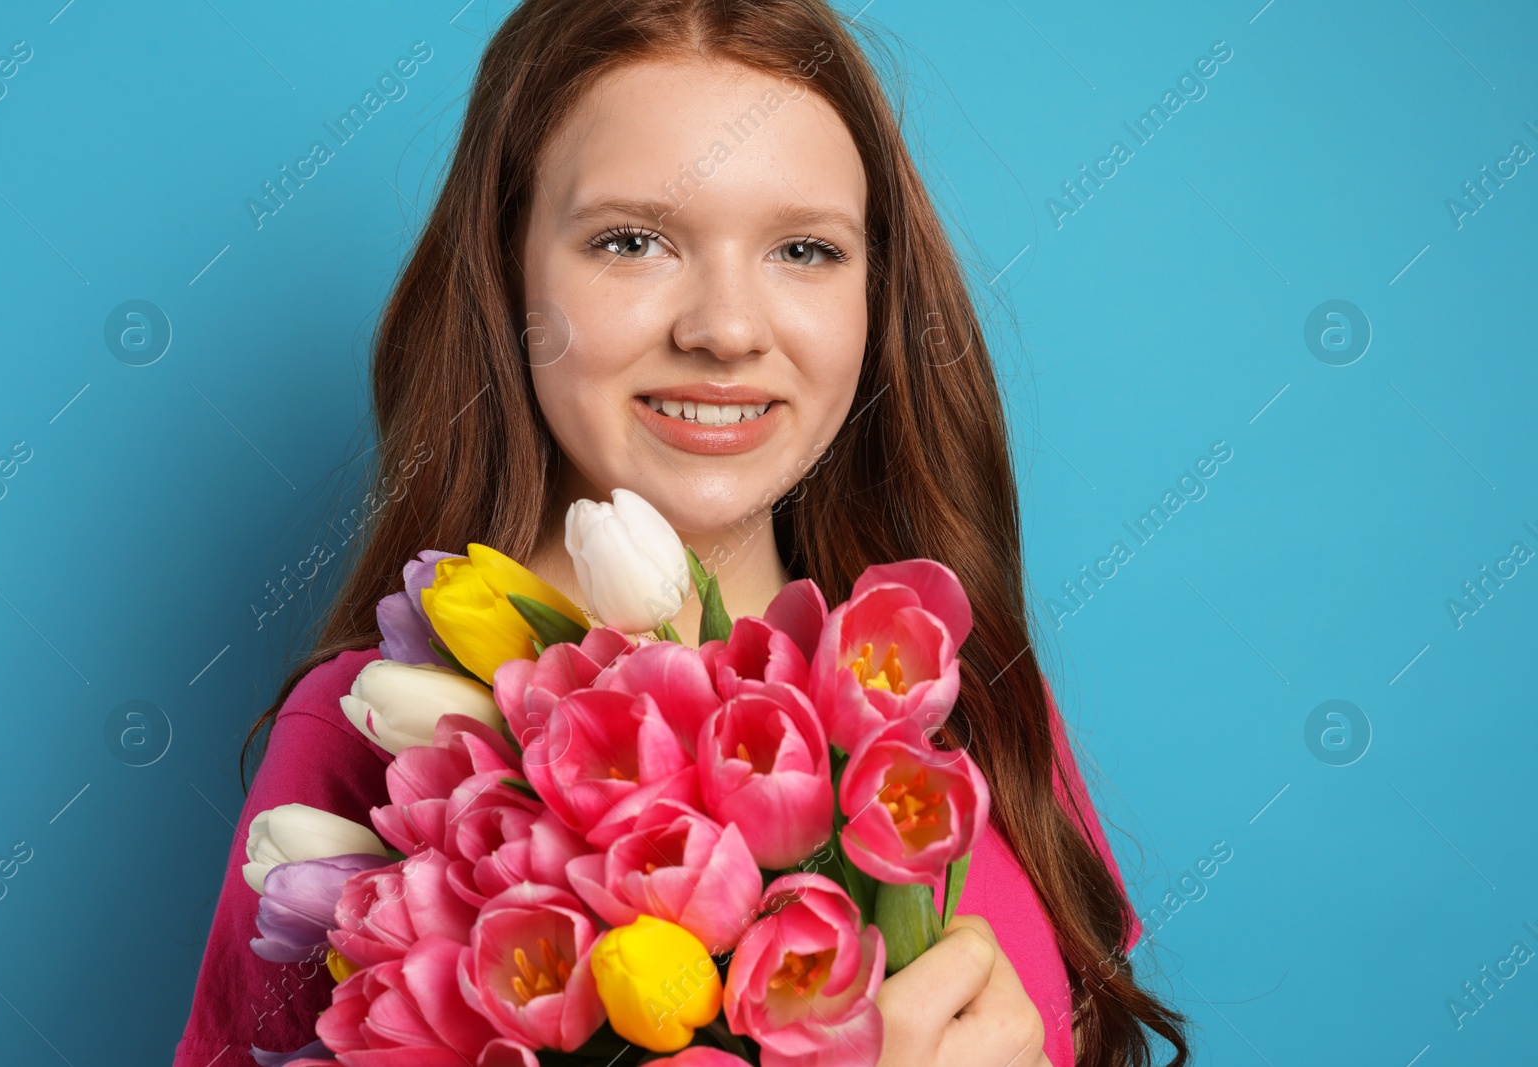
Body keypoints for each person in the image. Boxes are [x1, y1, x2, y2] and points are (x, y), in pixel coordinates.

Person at [172, 1, 1190, 1064]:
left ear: (877, 293)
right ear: (507, 273)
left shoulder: (949, 687)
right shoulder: (366, 737)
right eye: (630, 240)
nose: (725, 329)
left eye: (804, 248)